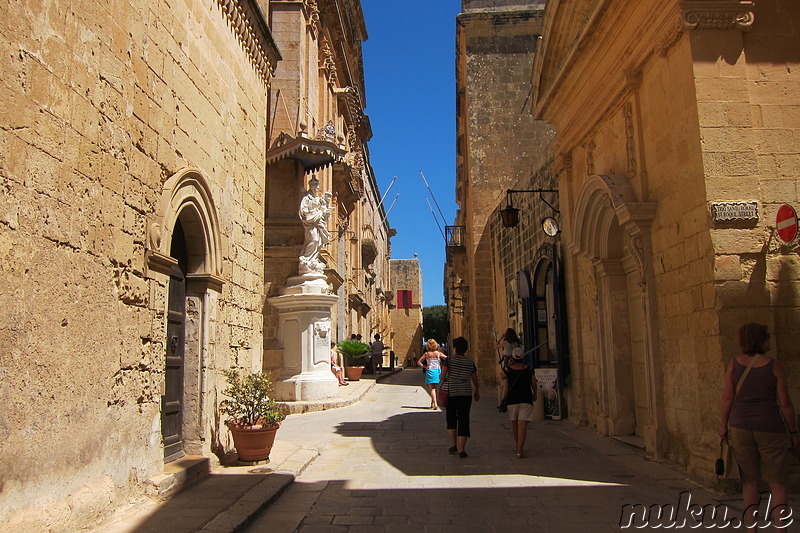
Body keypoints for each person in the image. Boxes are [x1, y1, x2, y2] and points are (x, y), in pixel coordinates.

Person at [719, 323, 797, 531]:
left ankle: (751, 528)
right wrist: (793, 431)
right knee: (777, 482)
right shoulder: (774, 365)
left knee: (750, 482)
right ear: (762, 340)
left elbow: (728, 398)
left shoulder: (734, 364)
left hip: (741, 426)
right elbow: (785, 403)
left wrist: (723, 426)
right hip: (770, 426)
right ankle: (781, 528)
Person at [441, 336, 479, 458]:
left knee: (451, 419)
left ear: (456, 348)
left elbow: (442, 376)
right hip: (465, 394)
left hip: (451, 393)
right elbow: (474, 378)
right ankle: (462, 449)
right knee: (464, 419)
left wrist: (447, 378)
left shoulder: (449, 360)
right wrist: (476, 391)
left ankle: (454, 444)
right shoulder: (470, 362)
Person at [500, 347, 537, 458]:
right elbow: (534, 383)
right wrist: (535, 394)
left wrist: (508, 364)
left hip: (512, 399)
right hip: (526, 398)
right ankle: (520, 450)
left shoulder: (508, 370)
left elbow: (502, 376)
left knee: (515, 423)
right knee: (523, 424)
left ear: (513, 357)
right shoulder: (529, 369)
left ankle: (517, 446)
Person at [298, 176, 331, 275]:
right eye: (315, 186)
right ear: (311, 187)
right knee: (313, 239)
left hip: (318, 222)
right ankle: (307, 259)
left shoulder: (319, 199)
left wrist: (325, 209)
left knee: (318, 242)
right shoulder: (306, 198)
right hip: (310, 222)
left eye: (317, 186)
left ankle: (313, 260)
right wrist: (314, 212)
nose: (316, 188)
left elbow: (325, 211)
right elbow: (303, 211)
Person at [418, 339, 446, 409]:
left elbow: (419, 362)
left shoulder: (427, 354)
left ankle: (435, 404)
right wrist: (443, 366)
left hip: (430, 371)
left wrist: (424, 366)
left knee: (432, 389)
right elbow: (447, 358)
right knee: (436, 388)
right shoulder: (439, 353)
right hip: (438, 371)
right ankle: (432, 403)